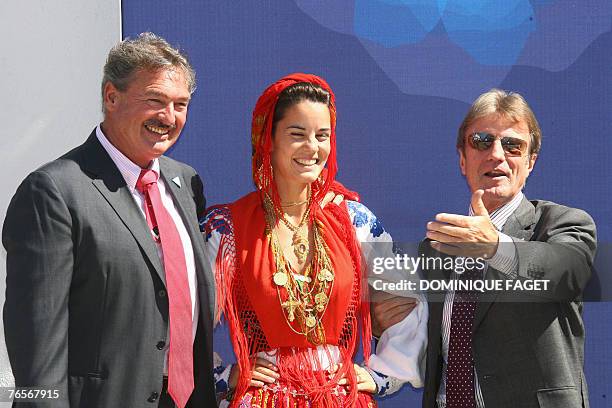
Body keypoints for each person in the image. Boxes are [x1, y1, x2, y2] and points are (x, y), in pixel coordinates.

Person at [2, 33, 215, 408]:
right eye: (155, 100)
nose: (169, 117)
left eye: (180, 104)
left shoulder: (186, 183)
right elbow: (36, 350)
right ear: (111, 97)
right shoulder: (53, 191)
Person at [201, 73, 427, 407]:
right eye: (297, 134)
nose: (312, 147)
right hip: (264, 399)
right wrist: (222, 375)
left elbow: (408, 300)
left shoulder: (353, 221)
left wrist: (384, 373)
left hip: (342, 397)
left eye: (322, 136)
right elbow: (180, 317)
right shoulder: (227, 228)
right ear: (269, 139)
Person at [375, 89, 596, 407]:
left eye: (513, 145)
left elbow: (568, 273)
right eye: (482, 141)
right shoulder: (436, 248)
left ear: (530, 162)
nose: (497, 154)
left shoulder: (563, 224)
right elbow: (439, 349)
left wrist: (495, 246)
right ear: (463, 160)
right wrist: (391, 327)